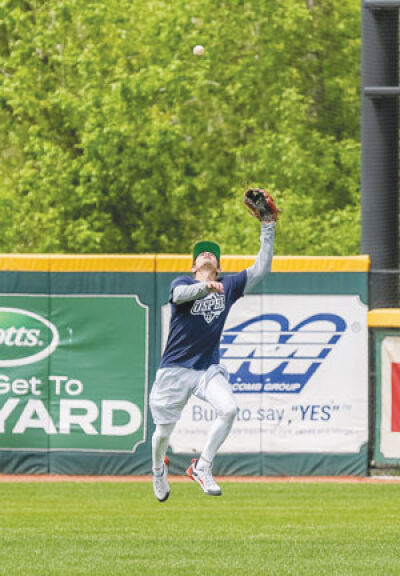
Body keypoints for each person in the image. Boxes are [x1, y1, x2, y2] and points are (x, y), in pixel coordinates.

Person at [150, 209, 276, 502]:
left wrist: (267, 226)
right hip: (175, 370)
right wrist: (204, 287)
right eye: (201, 254)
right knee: (162, 434)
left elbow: (261, 268)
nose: (206, 254)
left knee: (229, 409)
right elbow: (179, 297)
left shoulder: (228, 286)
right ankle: (158, 469)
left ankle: (202, 466)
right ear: (194, 266)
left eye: (212, 254)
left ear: (217, 266)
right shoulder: (181, 282)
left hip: (206, 368)